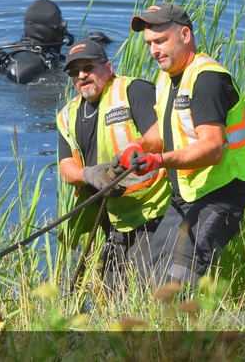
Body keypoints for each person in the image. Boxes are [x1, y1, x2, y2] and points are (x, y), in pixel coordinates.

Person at [119, 2, 245, 288]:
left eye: (160, 41)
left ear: (185, 35)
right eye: (149, 44)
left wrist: (160, 161)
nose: (154, 50)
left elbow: (213, 148)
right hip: (186, 195)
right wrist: (140, 146)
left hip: (219, 195)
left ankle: (188, 331)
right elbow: (163, 132)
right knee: (150, 276)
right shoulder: (166, 79)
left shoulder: (208, 80)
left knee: (176, 281)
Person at [56, 39, 170, 288]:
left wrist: (134, 152)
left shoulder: (134, 91)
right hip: (109, 217)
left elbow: (161, 136)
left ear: (108, 67)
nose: (82, 75)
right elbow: (66, 168)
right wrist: (90, 175)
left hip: (152, 211)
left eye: (89, 67)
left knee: (148, 289)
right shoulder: (67, 114)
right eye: (75, 72)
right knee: (113, 294)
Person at [0, 0, 74, 84]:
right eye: (61, 24)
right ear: (52, 28)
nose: (63, 30)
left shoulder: (12, 49)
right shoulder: (29, 62)